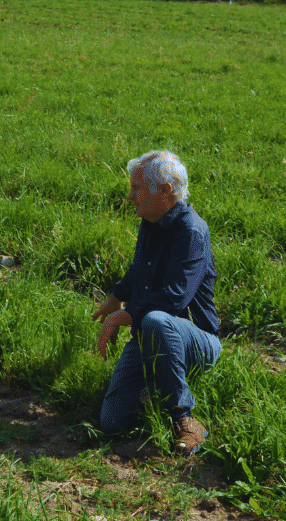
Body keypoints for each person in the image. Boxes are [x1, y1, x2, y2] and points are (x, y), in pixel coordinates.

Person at [91, 150, 220, 454]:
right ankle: (158, 386)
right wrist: (116, 298)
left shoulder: (191, 231)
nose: (129, 196)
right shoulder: (151, 222)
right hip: (152, 335)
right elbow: (139, 270)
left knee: (156, 320)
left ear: (165, 190)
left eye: (136, 188)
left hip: (196, 340)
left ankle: (184, 418)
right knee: (113, 422)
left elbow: (174, 297)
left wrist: (125, 316)